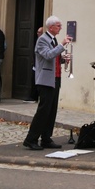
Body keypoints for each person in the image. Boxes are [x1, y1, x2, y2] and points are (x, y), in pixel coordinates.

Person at [23, 16, 71, 150]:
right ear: (51, 27)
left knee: (51, 111)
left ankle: (46, 138)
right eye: (58, 25)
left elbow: (53, 58)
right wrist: (62, 45)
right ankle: (31, 139)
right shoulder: (42, 39)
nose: (60, 27)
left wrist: (63, 59)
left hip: (55, 78)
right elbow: (48, 55)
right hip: (45, 80)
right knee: (43, 111)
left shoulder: (53, 39)